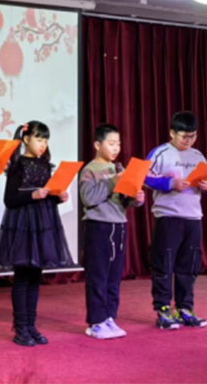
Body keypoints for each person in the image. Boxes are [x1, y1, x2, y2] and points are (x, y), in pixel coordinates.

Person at [0, 121, 73, 346]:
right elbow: (9, 200)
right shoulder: (18, 165)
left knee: (36, 277)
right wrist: (32, 195)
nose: (43, 144)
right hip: (22, 224)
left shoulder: (46, 165)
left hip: (42, 223)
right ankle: (20, 329)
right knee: (22, 277)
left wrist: (59, 197)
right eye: (39, 139)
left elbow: (48, 196)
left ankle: (31, 326)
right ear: (26, 139)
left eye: (46, 140)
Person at [145, 111, 207, 330]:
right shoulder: (160, 153)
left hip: (193, 217)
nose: (189, 141)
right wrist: (169, 184)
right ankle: (163, 309)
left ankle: (185, 308)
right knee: (164, 264)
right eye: (184, 136)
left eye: (193, 136)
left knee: (189, 265)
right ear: (172, 133)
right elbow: (143, 177)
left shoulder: (197, 155)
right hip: (168, 216)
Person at [79, 123, 144, 339]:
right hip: (98, 226)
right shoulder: (90, 170)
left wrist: (136, 198)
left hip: (119, 225)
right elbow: (88, 199)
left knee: (114, 277)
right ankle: (96, 322)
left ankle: (109, 317)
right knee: (98, 276)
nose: (116, 148)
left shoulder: (118, 169)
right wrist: (111, 183)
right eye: (111, 143)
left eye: (118, 144)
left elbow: (123, 200)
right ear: (97, 145)